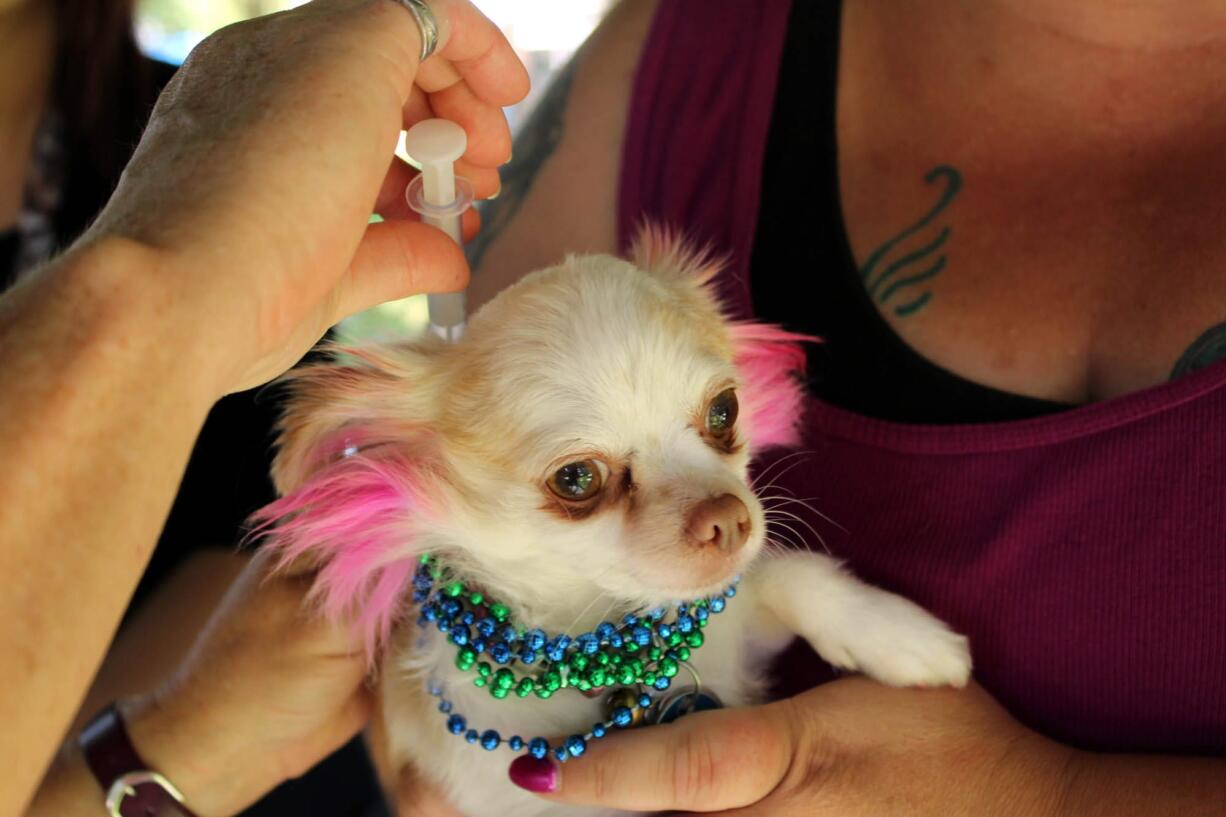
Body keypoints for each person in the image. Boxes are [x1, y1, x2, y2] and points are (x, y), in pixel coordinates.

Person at [466, 0, 1226, 813]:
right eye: (580, 477)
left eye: (720, 418)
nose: (716, 511)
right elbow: (435, 525)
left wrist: (1047, 799)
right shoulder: (676, 51)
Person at [0, 0, 528, 813]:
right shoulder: (204, 164)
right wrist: (157, 288)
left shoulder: (209, 132)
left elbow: (254, 506)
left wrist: (176, 743)